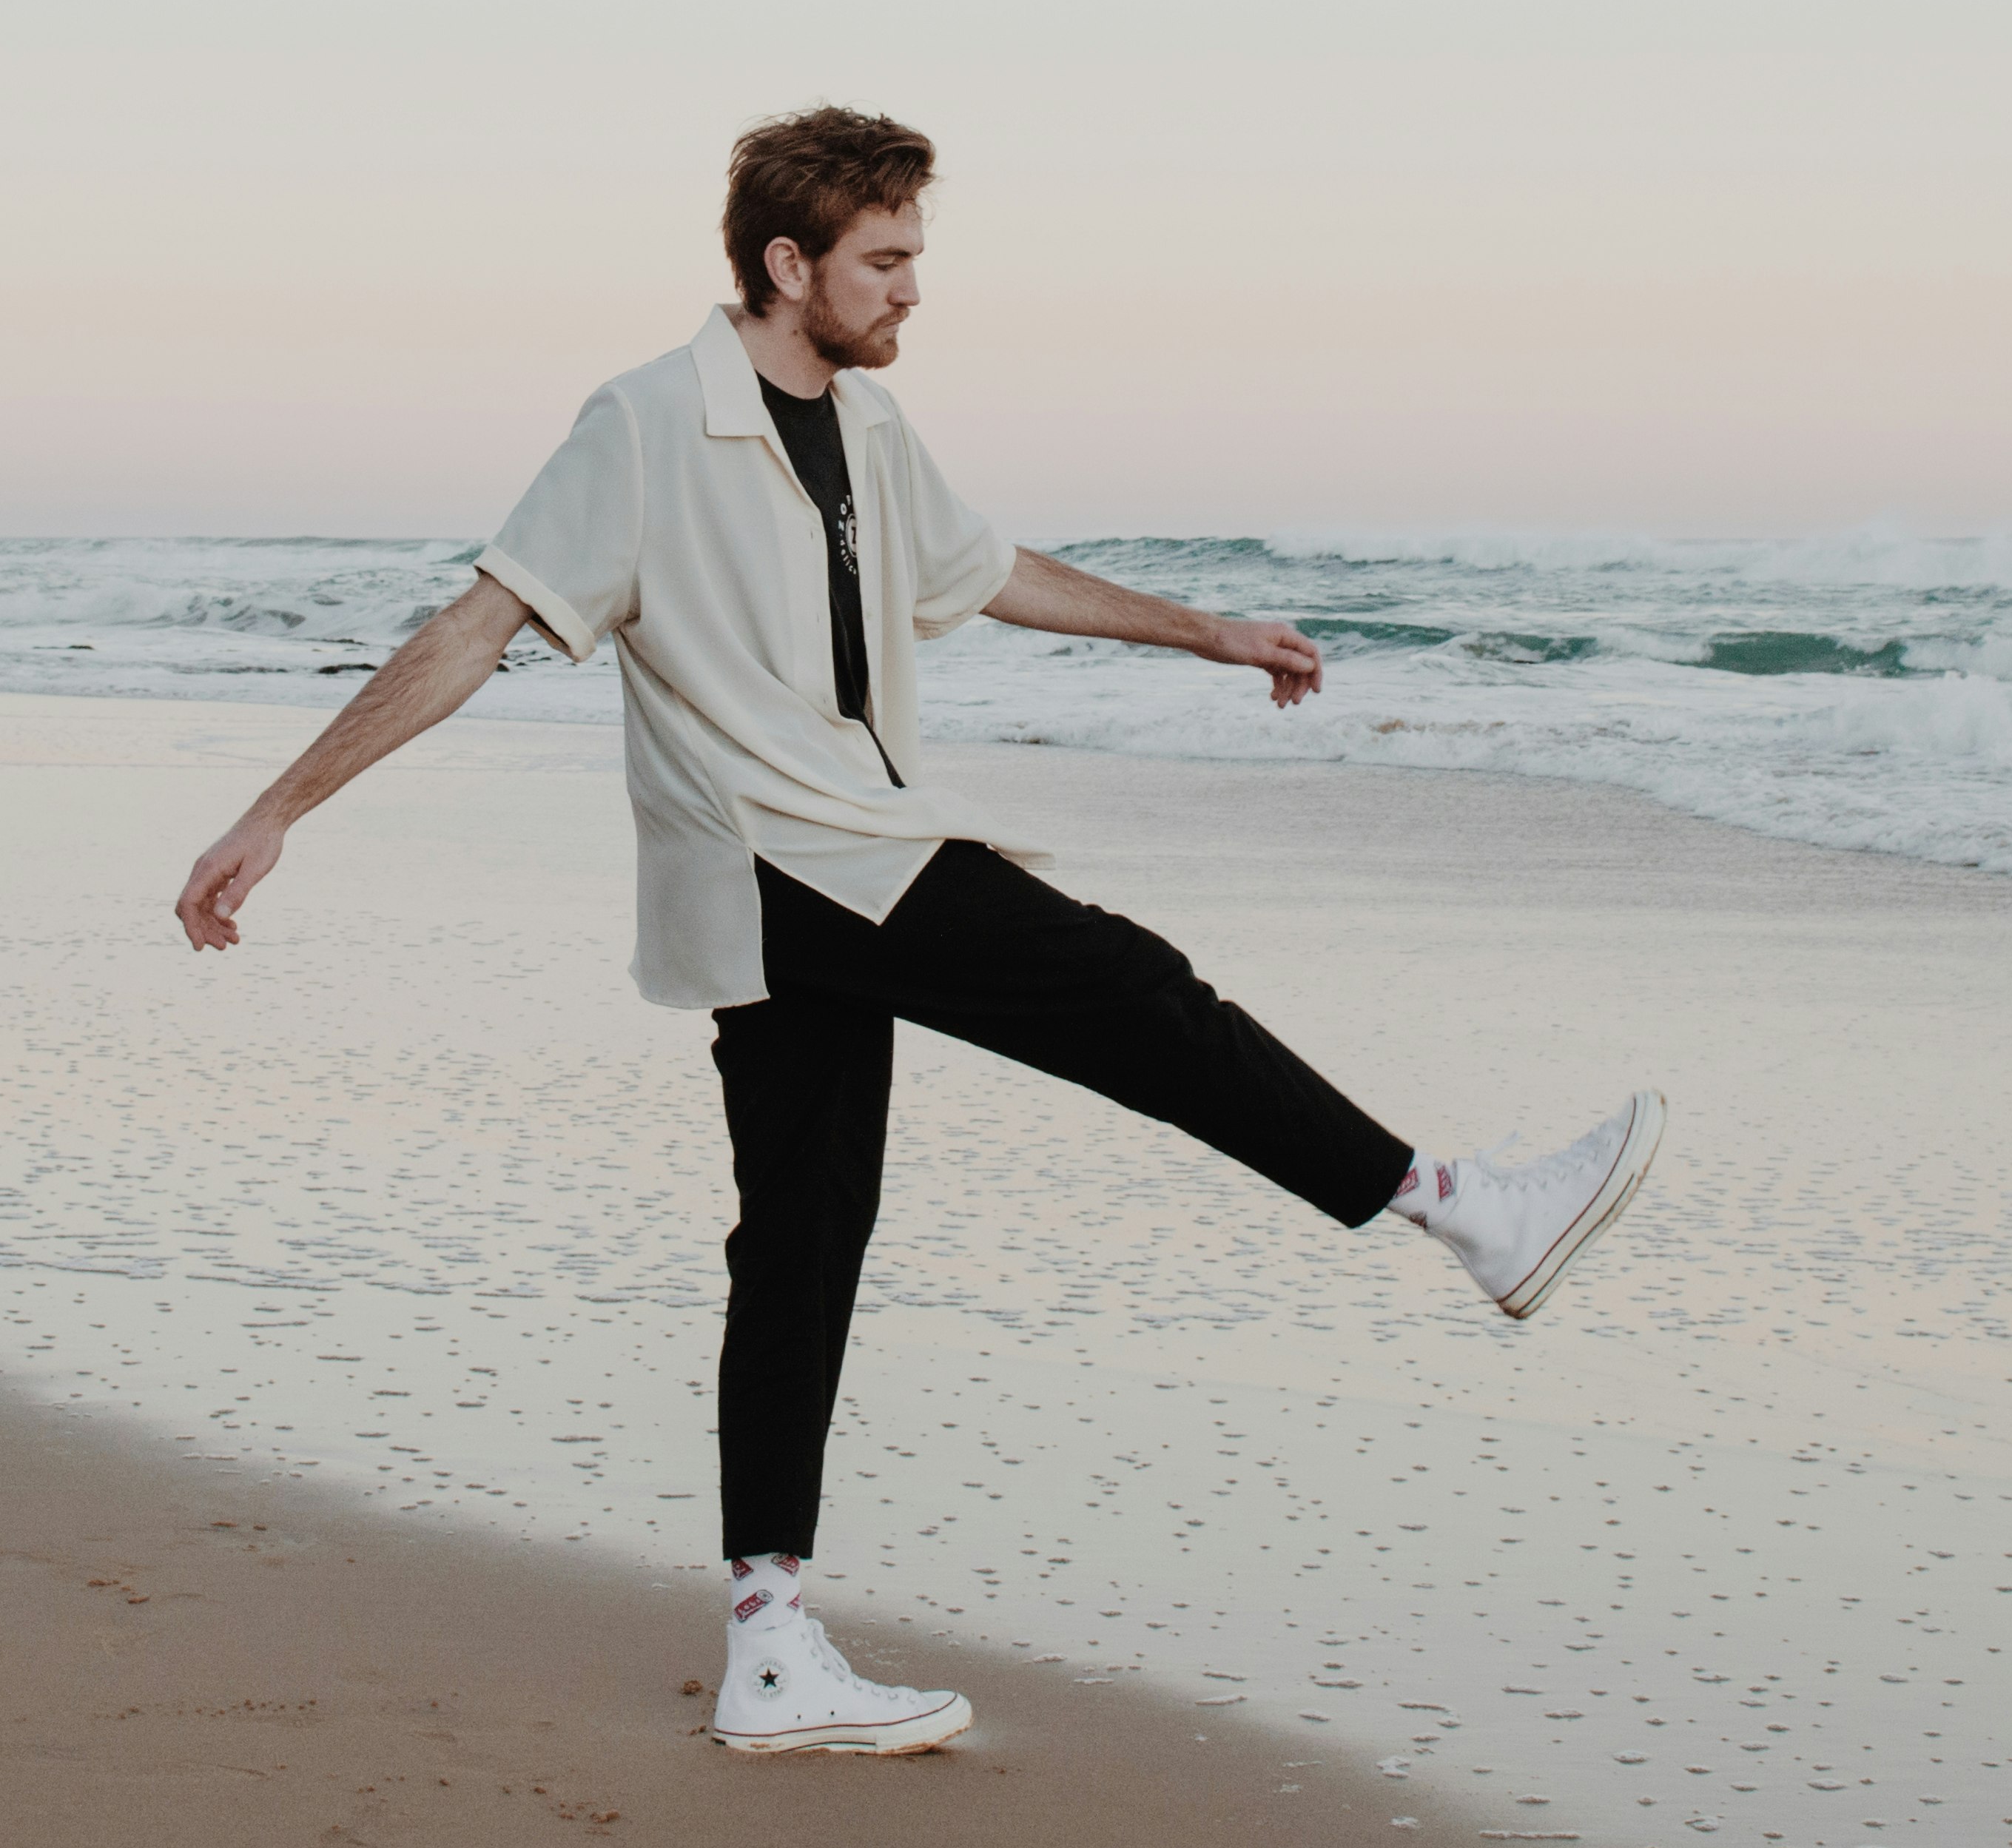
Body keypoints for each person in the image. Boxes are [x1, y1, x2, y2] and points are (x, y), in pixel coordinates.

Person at [175, 105, 1663, 1758]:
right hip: (792, 854)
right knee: (1127, 991)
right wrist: (278, 806)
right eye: (882, 262)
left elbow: (989, 569)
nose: (907, 292)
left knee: (801, 1231)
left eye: (913, 259)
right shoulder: (647, 421)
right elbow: (477, 625)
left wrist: (1210, 631)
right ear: (783, 261)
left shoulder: (867, 431)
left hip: (820, 860)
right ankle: (1456, 1206)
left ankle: (765, 1638)